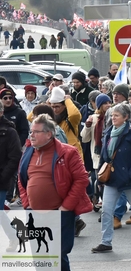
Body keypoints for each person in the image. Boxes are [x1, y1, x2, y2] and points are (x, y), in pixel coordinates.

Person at [18, 114, 92, 270]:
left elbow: (82, 179)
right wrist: (27, 204)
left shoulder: (68, 152)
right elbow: (21, 179)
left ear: (48, 134)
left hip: (59, 213)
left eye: (35, 132)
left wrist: (66, 207)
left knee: (57, 256)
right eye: (31, 131)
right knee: (39, 256)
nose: (31, 135)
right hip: (34, 214)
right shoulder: (29, 151)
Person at [91, 104, 131, 253]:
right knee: (106, 210)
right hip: (112, 179)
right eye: (112, 115)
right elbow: (104, 156)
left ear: (126, 117)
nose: (113, 118)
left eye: (116, 115)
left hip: (130, 180)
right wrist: (100, 177)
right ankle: (106, 242)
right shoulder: (108, 132)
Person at [0, 100, 21, 251]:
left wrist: (3, 177)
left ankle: (13, 237)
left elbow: (15, 158)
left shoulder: (9, 132)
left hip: (1, 179)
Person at [48, 88, 83, 157]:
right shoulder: (50, 120)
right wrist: (46, 103)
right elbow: (31, 117)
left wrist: (67, 100)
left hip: (72, 155)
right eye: (52, 107)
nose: (54, 110)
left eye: (57, 106)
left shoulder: (70, 120)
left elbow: (74, 114)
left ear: (65, 106)